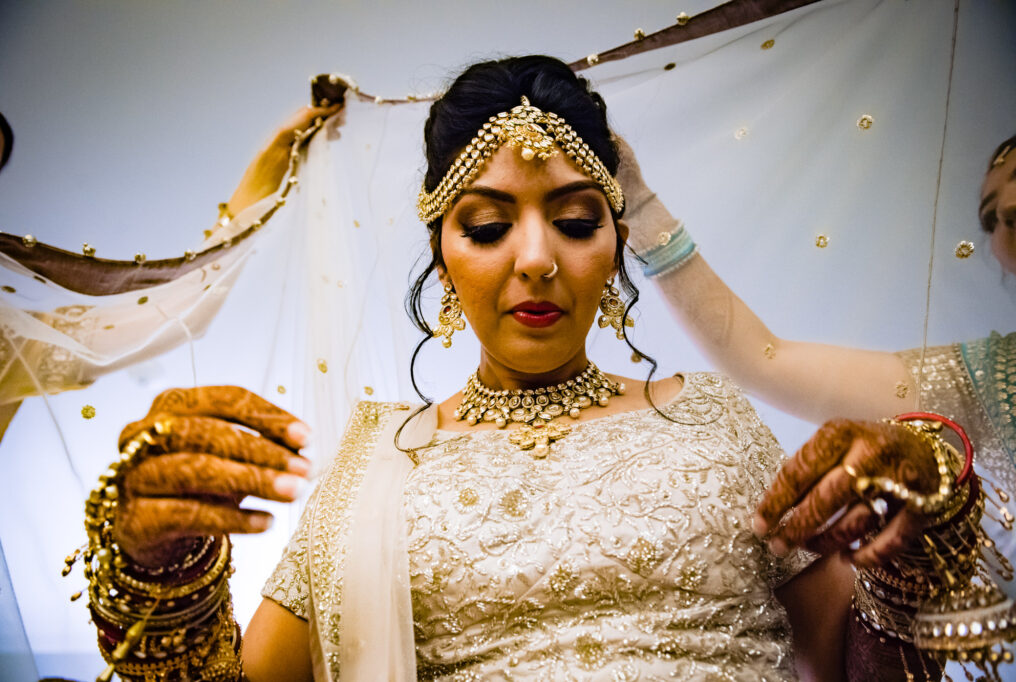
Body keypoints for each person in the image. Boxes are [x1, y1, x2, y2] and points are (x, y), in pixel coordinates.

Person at [78, 57, 1001, 682]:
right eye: (485, 226)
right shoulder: (377, 456)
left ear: (615, 246)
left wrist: (919, 529)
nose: (535, 260)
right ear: (442, 256)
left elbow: (855, 670)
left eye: (573, 219)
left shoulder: (714, 420)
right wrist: (163, 570)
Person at [616, 131, 1015, 530]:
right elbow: (763, 360)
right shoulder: (992, 378)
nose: (1008, 211)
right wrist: (638, 206)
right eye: (988, 218)